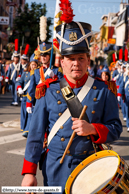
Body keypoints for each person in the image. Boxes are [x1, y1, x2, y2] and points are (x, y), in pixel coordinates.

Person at [21, 19, 122, 194]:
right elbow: (36, 134)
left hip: (91, 167)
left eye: (81, 58)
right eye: (71, 58)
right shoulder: (48, 91)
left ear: (88, 60)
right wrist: (29, 172)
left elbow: (115, 127)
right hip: (55, 168)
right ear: (62, 62)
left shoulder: (104, 90)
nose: (76, 63)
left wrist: (93, 129)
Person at [26, 42, 63, 113]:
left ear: (49, 56)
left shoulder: (57, 70)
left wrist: (54, 77)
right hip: (40, 101)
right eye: (42, 55)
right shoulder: (35, 71)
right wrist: (29, 103)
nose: (43, 57)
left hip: (53, 101)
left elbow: (61, 86)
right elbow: (32, 88)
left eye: (45, 55)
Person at [17, 60, 38, 138]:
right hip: (25, 96)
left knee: (30, 114)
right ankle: (24, 128)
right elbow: (19, 82)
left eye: (35, 65)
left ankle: (27, 130)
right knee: (24, 114)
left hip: (34, 98)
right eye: (32, 65)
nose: (33, 66)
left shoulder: (39, 74)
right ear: (29, 65)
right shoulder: (25, 73)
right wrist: (19, 88)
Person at [5, 39, 22, 105]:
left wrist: (19, 76)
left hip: (17, 79)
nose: (16, 58)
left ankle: (16, 100)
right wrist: (7, 77)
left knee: (16, 90)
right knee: (12, 90)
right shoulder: (11, 65)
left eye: (17, 57)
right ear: (13, 58)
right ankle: (13, 99)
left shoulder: (19, 65)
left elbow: (21, 72)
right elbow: (9, 71)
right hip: (12, 79)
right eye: (15, 57)